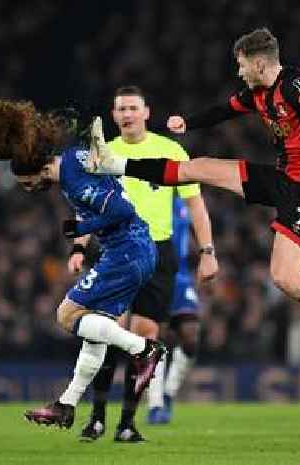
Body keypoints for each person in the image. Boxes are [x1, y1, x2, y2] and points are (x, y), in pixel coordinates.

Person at [84, 28, 300, 379]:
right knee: (200, 168)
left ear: (258, 62)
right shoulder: (257, 94)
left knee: (284, 277)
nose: (238, 72)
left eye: (241, 65)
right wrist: (187, 123)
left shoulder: (294, 83)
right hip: (283, 179)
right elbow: (224, 110)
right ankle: (115, 164)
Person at [0, 99, 166, 429]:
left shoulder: (74, 179)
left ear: (39, 169)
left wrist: (81, 229)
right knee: (95, 332)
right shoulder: (72, 164)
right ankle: (66, 405)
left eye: (27, 183)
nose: (29, 189)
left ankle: (143, 349)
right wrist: (81, 242)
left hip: (127, 251)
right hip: (134, 251)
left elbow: (120, 210)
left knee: (67, 315)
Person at [71, 86, 217, 442]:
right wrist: (78, 246)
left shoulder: (169, 150)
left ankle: (127, 423)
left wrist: (208, 251)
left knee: (145, 337)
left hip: (159, 252)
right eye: (121, 108)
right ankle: (97, 418)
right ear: (114, 113)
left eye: (133, 108)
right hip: (117, 250)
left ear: (146, 112)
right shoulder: (103, 154)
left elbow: (196, 204)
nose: (127, 114)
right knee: (108, 332)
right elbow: (88, 205)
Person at [149, 195, 204, 424]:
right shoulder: (149, 198)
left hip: (181, 278)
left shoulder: (185, 202)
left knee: (190, 337)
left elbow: (194, 233)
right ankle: (155, 404)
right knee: (156, 341)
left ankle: (169, 393)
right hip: (156, 275)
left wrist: (203, 253)